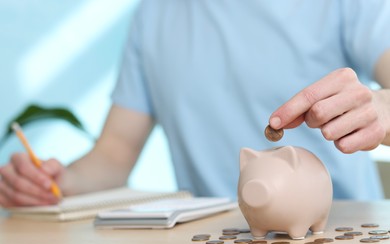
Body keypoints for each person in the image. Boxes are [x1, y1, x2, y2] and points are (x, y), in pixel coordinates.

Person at [1, 0, 390, 207]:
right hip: (213, 243)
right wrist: (53, 183)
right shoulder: (154, 13)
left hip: (341, 236)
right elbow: (113, 155)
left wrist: (381, 111)